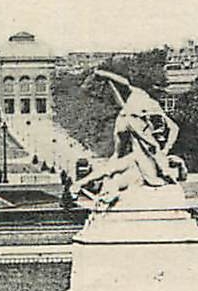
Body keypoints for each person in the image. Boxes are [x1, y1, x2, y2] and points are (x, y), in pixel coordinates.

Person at [72, 68, 186, 210]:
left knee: (117, 162)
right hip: (130, 123)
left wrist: (103, 74)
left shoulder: (146, 102)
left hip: (133, 125)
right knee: (119, 161)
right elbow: (173, 129)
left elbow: (173, 129)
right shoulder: (144, 99)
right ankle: (90, 187)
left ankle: (88, 186)